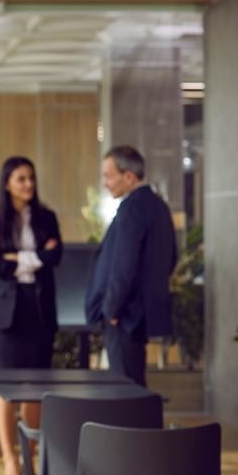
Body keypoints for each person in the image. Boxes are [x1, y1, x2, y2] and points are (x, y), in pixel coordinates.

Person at [0, 156, 62, 475]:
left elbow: (55, 257)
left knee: (35, 387)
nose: (28, 184)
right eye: (21, 179)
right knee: (5, 387)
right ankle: (9, 458)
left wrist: (16, 257)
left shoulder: (47, 217)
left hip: (39, 310)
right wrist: (35, 257)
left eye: (31, 178)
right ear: (7, 184)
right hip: (5, 313)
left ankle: (30, 456)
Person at [85, 145, 177, 387]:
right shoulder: (159, 206)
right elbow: (171, 258)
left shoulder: (131, 208)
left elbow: (123, 266)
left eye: (108, 176)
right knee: (135, 383)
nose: (105, 183)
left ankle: (140, 426)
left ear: (128, 176)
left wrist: (112, 309)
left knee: (126, 389)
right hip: (141, 314)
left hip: (124, 316)